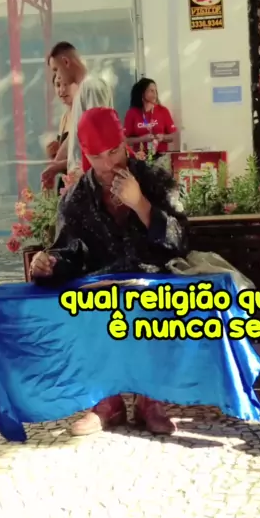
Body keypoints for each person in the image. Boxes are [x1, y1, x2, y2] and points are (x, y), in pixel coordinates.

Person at [30, 106, 188, 437]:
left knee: (152, 300)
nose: (108, 164)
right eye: (96, 156)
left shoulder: (155, 180)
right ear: (85, 155)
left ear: (124, 142)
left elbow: (180, 241)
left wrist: (141, 205)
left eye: (114, 151)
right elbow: (68, 253)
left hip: (154, 279)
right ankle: (107, 402)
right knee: (84, 303)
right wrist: (48, 264)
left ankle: (150, 400)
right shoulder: (76, 198)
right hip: (102, 286)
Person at [43, 41, 113, 187]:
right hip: (81, 179)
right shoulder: (81, 92)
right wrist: (55, 166)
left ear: (66, 62)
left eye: (56, 70)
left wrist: (74, 170)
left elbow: (97, 140)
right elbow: (76, 135)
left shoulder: (91, 87)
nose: (57, 76)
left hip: (91, 181)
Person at [124, 78, 177, 169]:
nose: (155, 94)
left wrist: (163, 137)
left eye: (156, 91)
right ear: (142, 93)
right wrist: (142, 139)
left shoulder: (163, 111)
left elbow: (173, 136)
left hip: (161, 158)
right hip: (140, 158)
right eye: (151, 91)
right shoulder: (132, 113)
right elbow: (125, 140)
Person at [45, 75, 76, 193]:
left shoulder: (83, 115)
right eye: (58, 85)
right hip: (65, 181)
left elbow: (83, 158)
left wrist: (56, 166)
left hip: (78, 181)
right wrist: (55, 151)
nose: (62, 90)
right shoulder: (65, 117)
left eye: (66, 84)